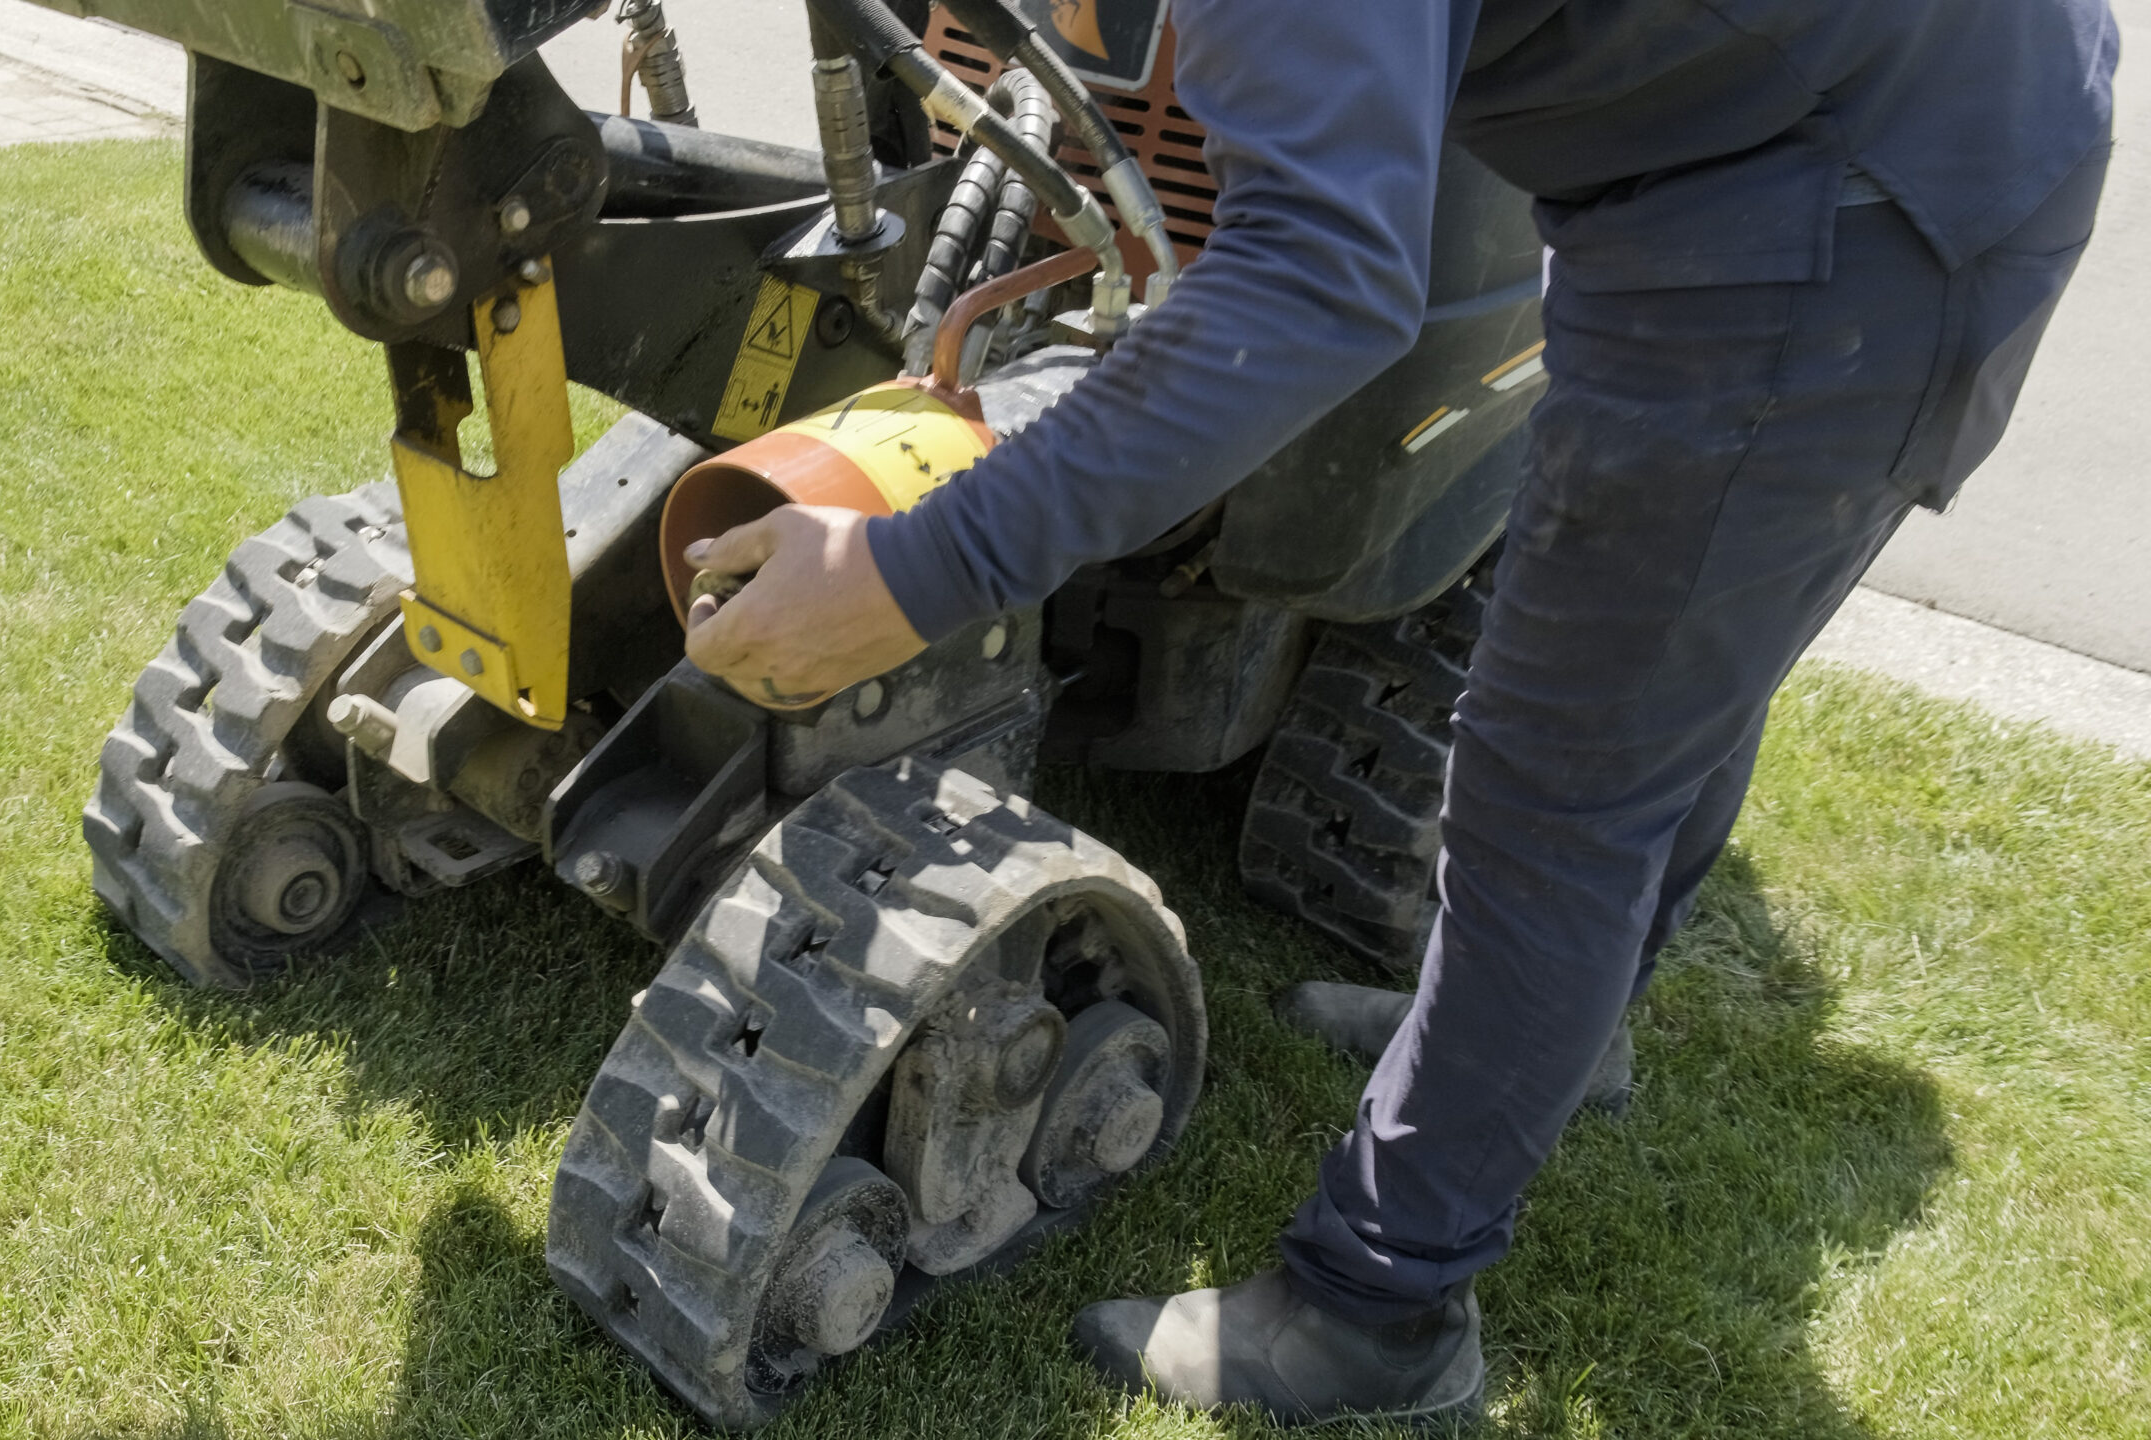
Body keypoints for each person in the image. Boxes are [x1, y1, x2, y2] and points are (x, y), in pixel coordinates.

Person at [679, 0, 2118, 1426]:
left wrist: (917, 572)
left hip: (1850, 196)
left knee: (1557, 795)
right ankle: (1562, 1031)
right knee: (1677, 666)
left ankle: (1376, 1311)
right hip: (1816, 122)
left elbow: (1321, 282)